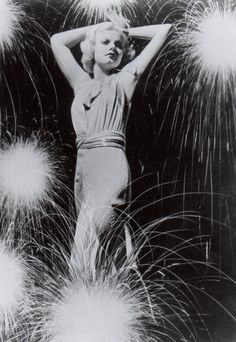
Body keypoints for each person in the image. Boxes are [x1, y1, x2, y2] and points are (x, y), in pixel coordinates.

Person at [51, 19, 171, 265]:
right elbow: (57, 41)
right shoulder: (80, 82)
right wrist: (98, 27)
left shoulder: (125, 80)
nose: (113, 47)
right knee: (98, 243)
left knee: (90, 244)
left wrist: (125, 31)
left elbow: (165, 29)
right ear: (92, 48)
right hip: (84, 169)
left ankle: (94, 290)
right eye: (105, 42)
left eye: (119, 45)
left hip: (110, 164)